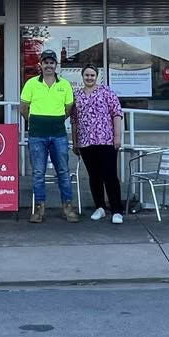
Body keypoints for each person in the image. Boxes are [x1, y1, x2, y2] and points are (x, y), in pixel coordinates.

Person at [20, 49, 79, 223]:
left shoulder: (65, 84)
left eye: (51, 62)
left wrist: (56, 119)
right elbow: (24, 108)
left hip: (58, 135)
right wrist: (33, 122)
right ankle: (39, 209)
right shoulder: (31, 83)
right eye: (45, 62)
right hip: (37, 135)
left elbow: (69, 108)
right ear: (40, 64)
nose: (48, 65)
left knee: (63, 171)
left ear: (56, 65)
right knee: (38, 173)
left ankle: (68, 208)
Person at [71, 64, 124, 224]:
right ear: (82, 76)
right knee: (94, 176)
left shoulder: (106, 92)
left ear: (97, 76)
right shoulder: (77, 95)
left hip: (106, 140)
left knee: (110, 176)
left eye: (92, 75)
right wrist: (75, 142)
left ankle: (116, 210)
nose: (89, 78)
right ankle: (99, 207)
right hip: (86, 142)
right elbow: (74, 120)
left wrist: (117, 137)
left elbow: (117, 113)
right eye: (86, 75)